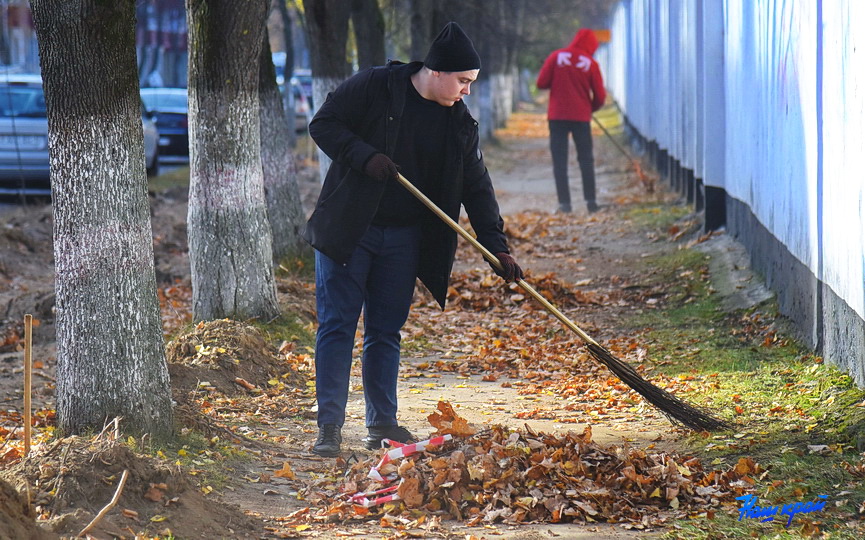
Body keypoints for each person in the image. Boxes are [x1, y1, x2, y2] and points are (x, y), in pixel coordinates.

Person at [303, 22, 523, 457]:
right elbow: (322, 124)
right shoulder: (376, 86)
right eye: (463, 81)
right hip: (350, 229)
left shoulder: (459, 122)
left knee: (386, 331)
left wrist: (497, 246)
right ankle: (328, 425)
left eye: (471, 83)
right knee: (338, 325)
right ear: (437, 71)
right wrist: (366, 158)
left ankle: (381, 423)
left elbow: (477, 186)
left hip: (404, 239)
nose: (466, 91)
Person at [536, 28, 606, 214]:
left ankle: (564, 204)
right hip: (581, 118)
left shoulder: (556, 57)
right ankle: (591, 202)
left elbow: (541, 83)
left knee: (560, 161)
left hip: (557, 116)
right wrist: (590, 108)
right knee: (586, 160)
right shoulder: (590, 63)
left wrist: (558, 82)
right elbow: (600, 95)